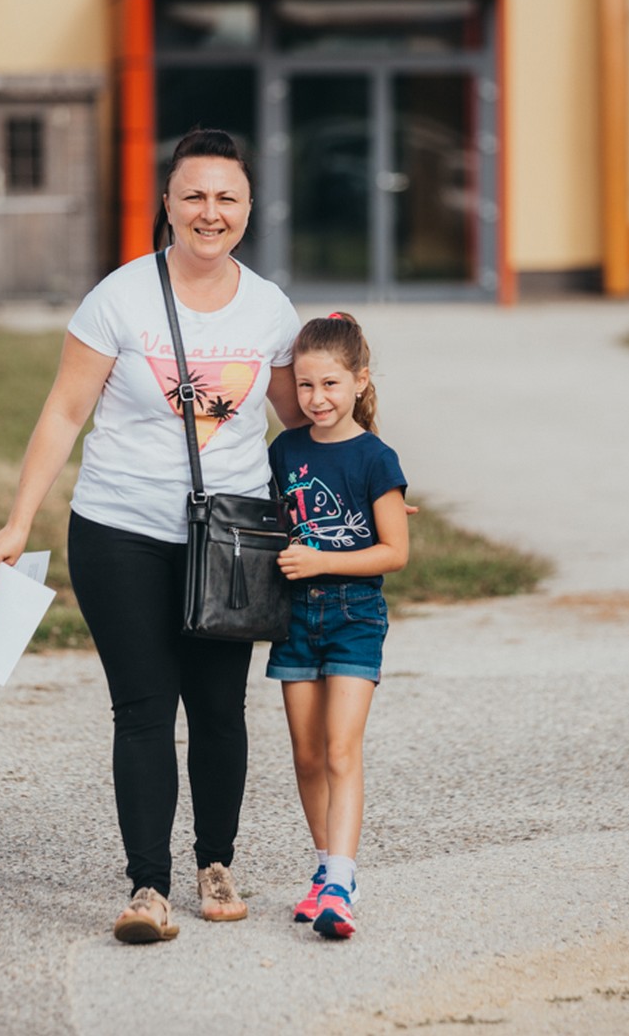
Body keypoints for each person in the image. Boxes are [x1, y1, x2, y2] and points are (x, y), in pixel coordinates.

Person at [0, 128, 305, 944]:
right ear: (166, 203)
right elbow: (64, 412)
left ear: (249, 208)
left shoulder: (269, 309)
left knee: (222, 709)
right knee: (144, 708)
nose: (210, 212)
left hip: (233, 542)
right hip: (119, 530)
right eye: (193, 195)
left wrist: (369, 484)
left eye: (226, 197)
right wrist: (18, 521)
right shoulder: (119, 298)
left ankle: (217, 863)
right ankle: (148, 887)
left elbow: (301, 421)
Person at [266, 312, 409, 940]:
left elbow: (393, 552)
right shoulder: (285, 451)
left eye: (329, 385)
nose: (316, 399)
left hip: (354, 615)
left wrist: (323, 560)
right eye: (304, 386)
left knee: (341, 748)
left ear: (359, 381)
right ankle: (325, 870)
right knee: (306, 754)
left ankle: (344, 883)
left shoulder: (376, 458)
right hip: (294, 616)